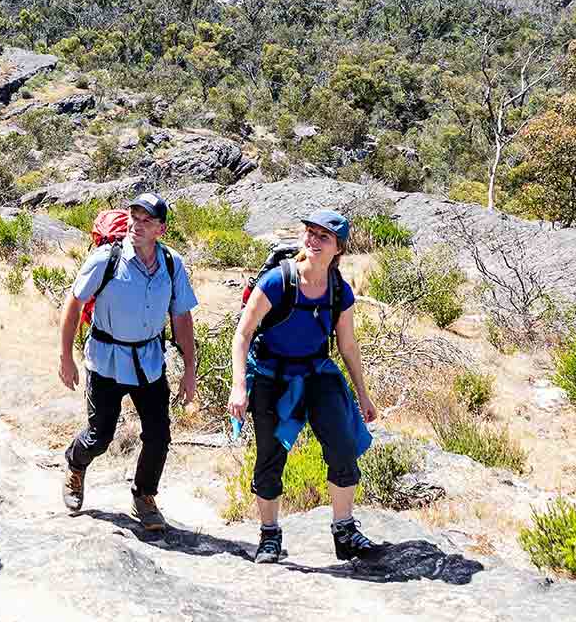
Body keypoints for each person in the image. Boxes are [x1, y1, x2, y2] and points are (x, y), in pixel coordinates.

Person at [228, 208, 385, 565]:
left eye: (323, 236)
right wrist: (240, 385)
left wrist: (363, 394)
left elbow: (347, 345)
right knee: (270, 455)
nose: (313, 240)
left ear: (338, 248)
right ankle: (269, 536)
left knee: (343, 445)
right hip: (271, 375)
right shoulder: (277, 282)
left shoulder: (338, 292)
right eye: (310, 232)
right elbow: (243, 333)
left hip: (317, 373)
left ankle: (344, 531)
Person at [58, 191, 198, 533]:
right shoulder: (106, 259)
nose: (137, 224)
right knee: (99, 436)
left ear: (160, 229)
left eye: (146, 219)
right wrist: (66, 357)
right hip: (106, 362)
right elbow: (74, 304)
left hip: (149, 362)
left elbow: (181, 317)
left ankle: (144, 496)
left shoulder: (171, 264)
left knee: (159, 435)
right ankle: (75, 465)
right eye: (134, 216)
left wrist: (190, 369)